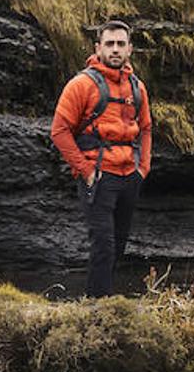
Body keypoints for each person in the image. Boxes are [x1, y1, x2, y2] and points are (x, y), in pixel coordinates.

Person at [50, 20, 152, 297]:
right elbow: (59, 131)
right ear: (98, 48)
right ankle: (97, 310)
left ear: (130, 49)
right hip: (99, 176)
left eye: (121, 44)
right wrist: (85, 170)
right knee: (103, 245)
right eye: (110, 44)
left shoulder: (136, 87)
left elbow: (145, 128)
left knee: (118, 245)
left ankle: (101, 304)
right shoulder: (81, 84)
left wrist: (143, 168)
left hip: (129, 176)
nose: (115, 49)